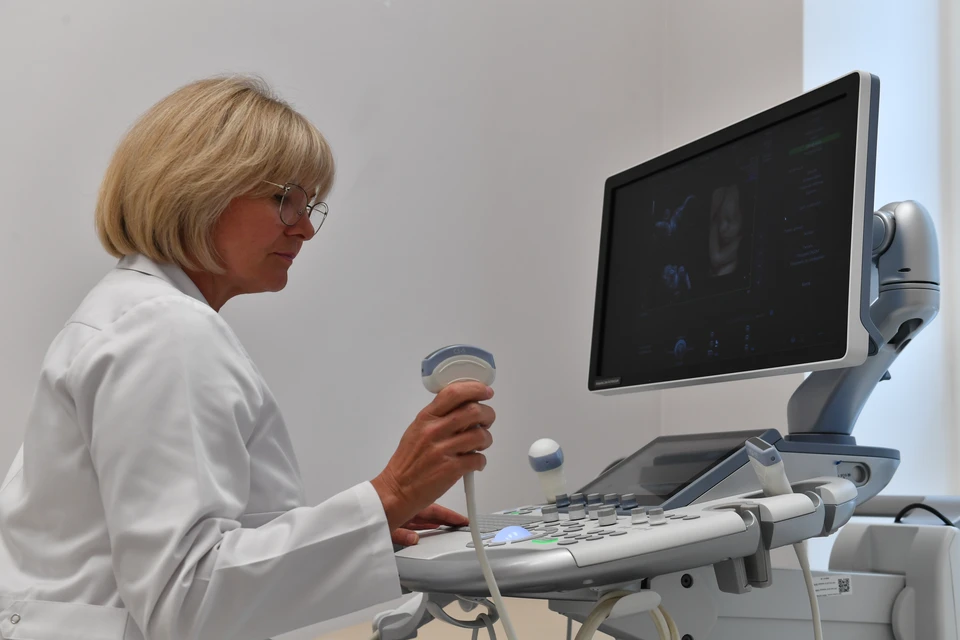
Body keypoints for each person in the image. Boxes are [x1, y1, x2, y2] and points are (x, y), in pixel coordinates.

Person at [0, 75, 496, 640]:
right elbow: (184, 600)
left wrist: (364, 526)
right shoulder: (164, 329)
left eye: (310, 206)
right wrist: (391, 495)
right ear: (199, 188)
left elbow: (192, 561)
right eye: (285, 200)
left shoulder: (132, 312)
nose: (305, 229)